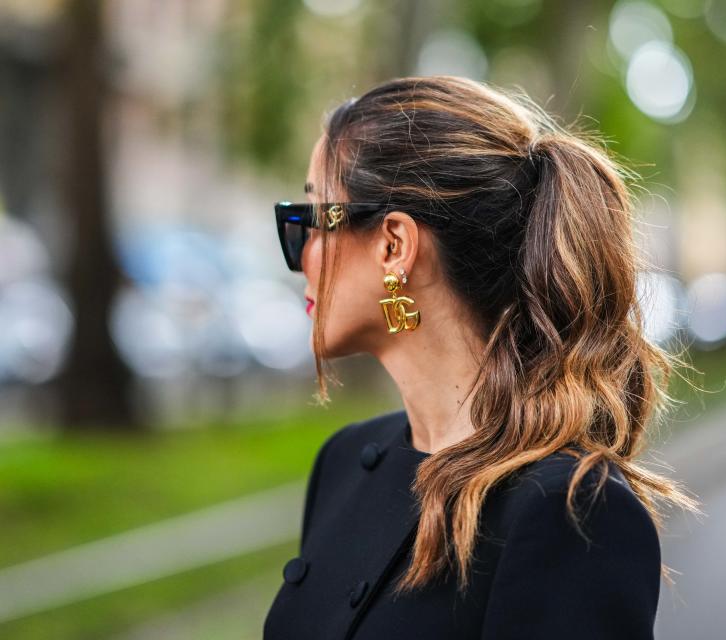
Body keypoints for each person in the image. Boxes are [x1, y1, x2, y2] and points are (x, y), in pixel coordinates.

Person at [264, 75, 698, 640]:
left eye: (313, 218)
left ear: (393, 245)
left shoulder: (570, 512)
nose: (302, 257)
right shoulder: (341, 464)